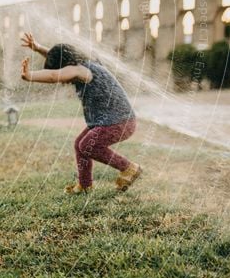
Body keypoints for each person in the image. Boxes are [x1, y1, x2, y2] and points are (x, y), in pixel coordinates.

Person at [20, 32, 142, 193]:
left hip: (119, 122)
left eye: (63, 74)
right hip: (110, 121)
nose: (63, 80)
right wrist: (38, 48)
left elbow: (53, 74)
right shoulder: (84, 65)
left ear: (65, 66)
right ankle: (85, 186)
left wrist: (30, 76)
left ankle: (129, 168)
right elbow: (61, 62)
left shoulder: (81, 71)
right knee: (80, 145)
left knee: (86, 145)